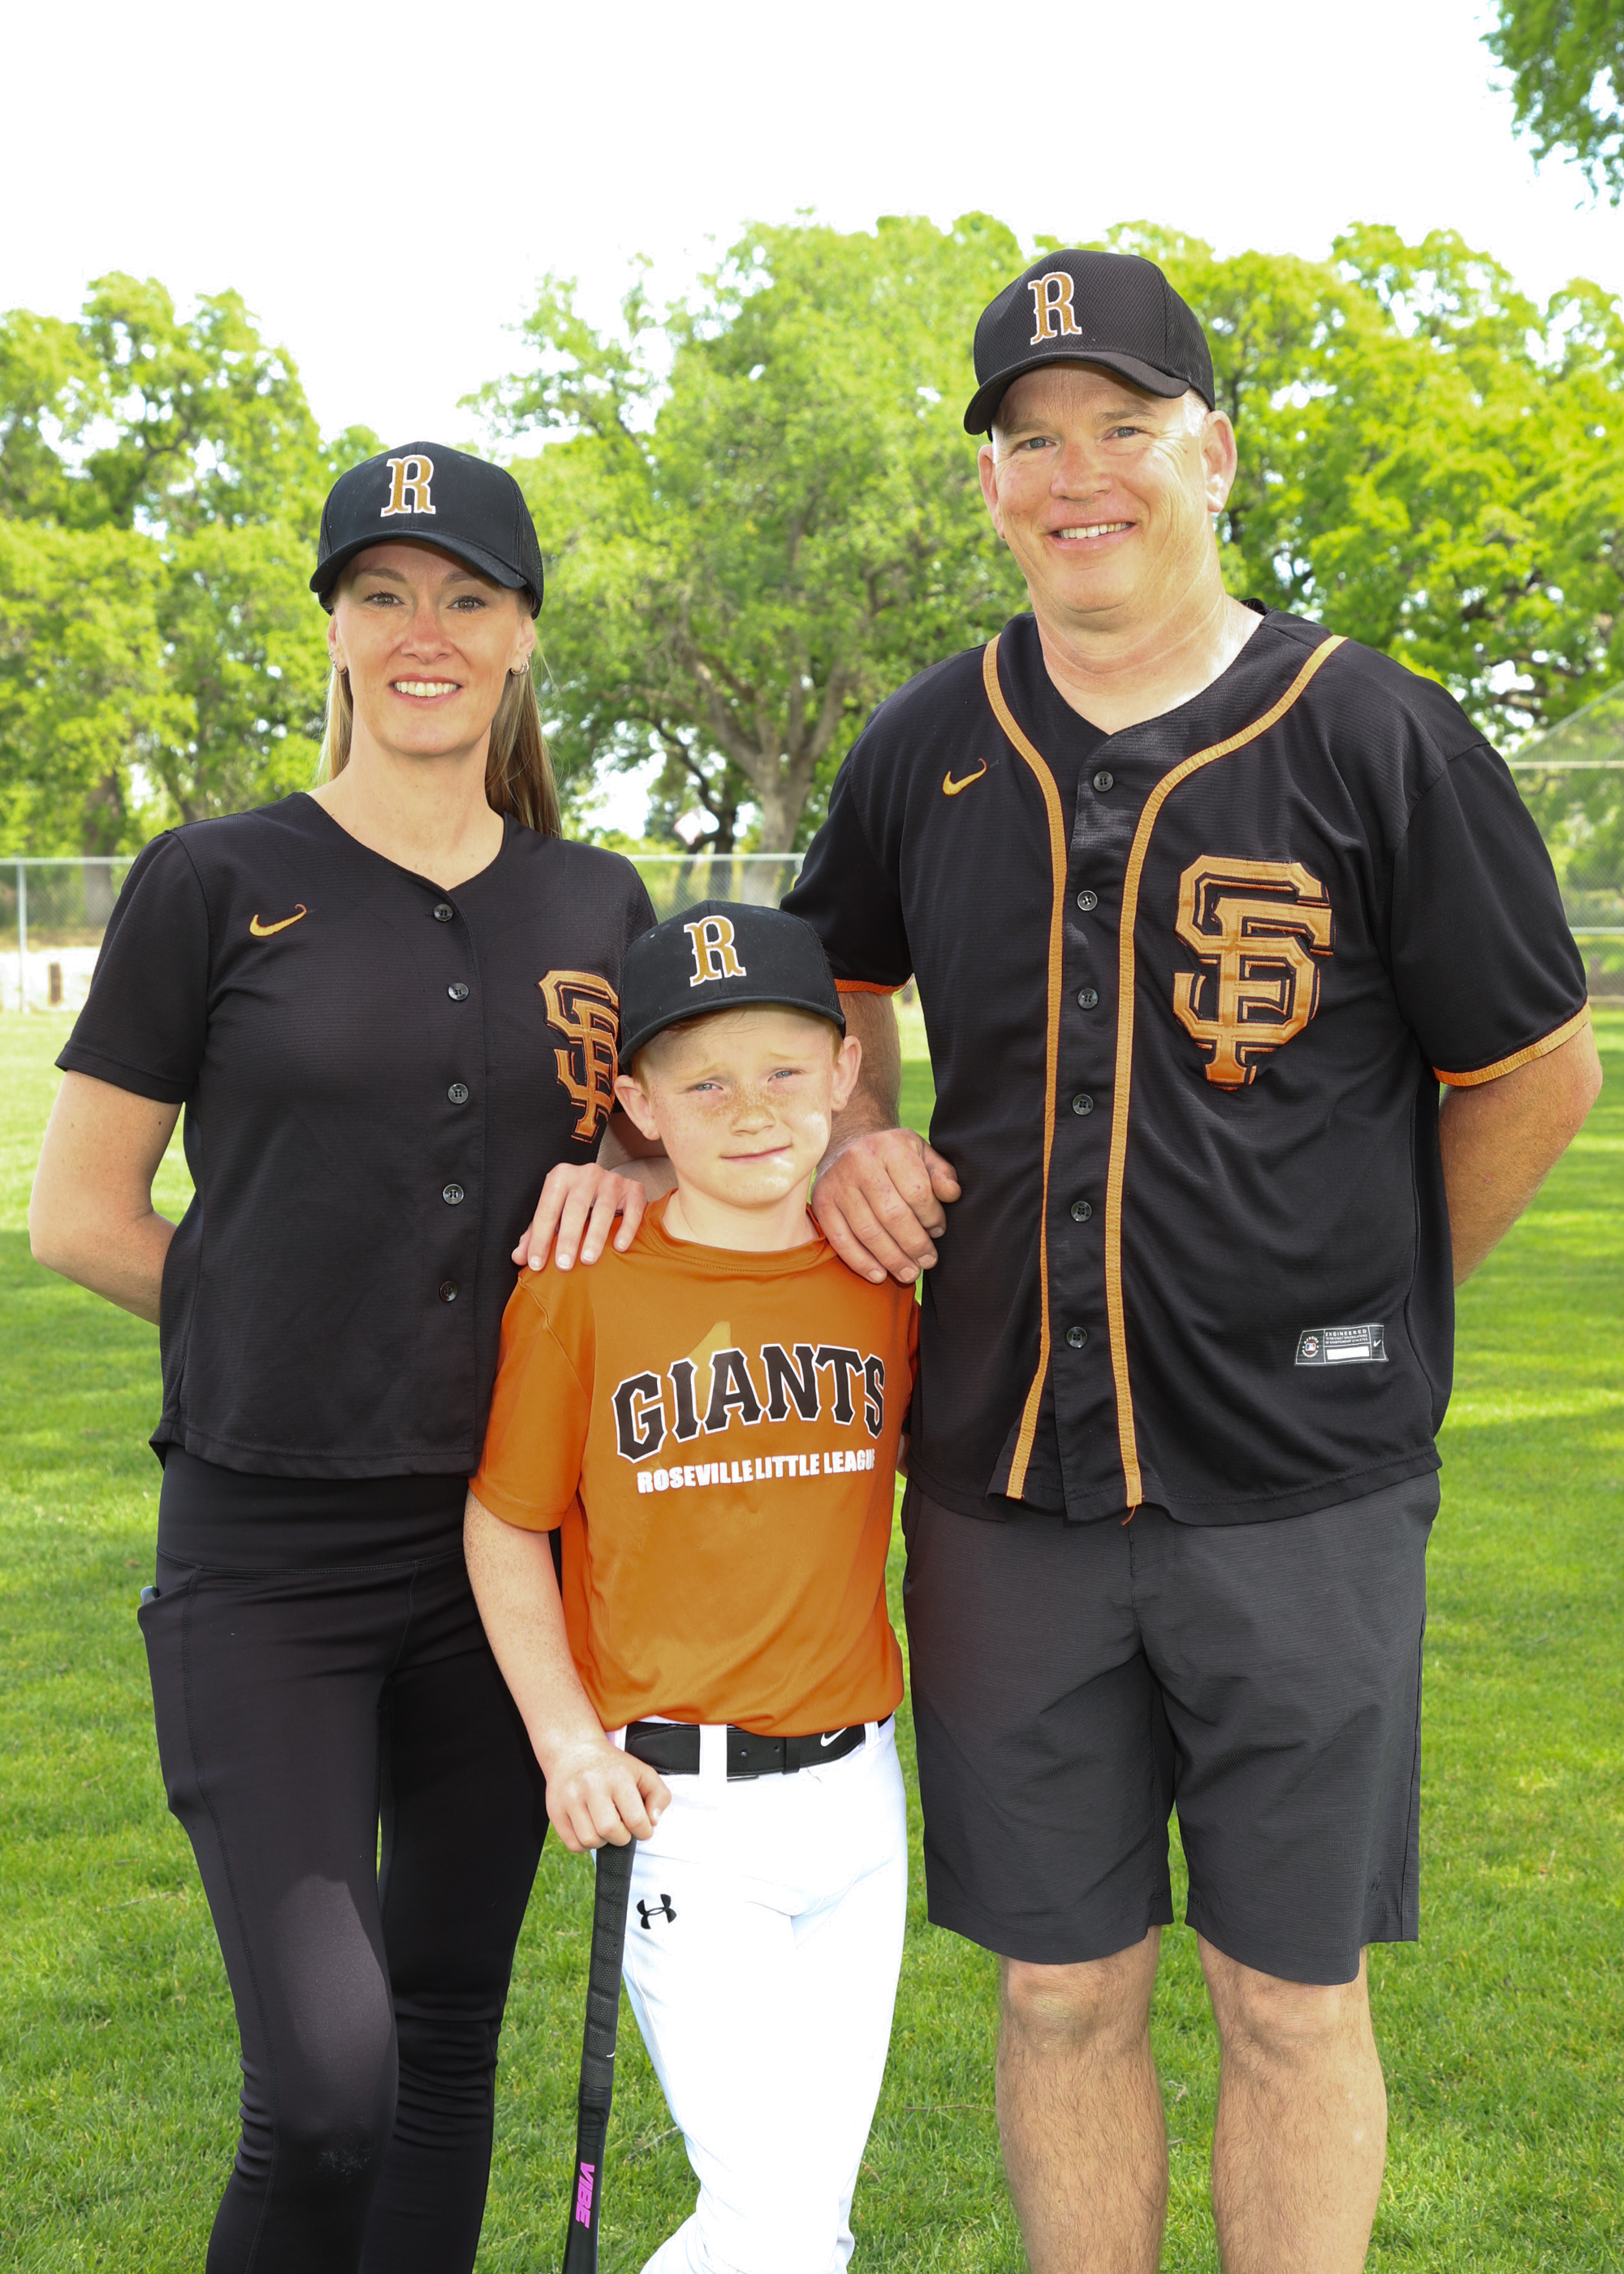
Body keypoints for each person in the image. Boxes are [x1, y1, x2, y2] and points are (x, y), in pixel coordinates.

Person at [783, 249, 1603, 2273]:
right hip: (1002, 1478)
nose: (1078, 475)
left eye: (1123, 428)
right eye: (1030, 440)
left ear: (1211, 453)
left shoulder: (1373, 733)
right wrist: (858, 1124)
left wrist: (1375, 1294)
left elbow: (1531, 1069)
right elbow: (825, 980)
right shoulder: (923, 742)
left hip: (1299, 1492)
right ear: (989, 484)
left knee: (1288, 1996)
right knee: (1061, 1987)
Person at [28, 441, 672, 2274]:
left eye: (466, 597)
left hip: (511, 1554)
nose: (423, 632)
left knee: (446, 2036)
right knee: (324, 2088)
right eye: (381, 595)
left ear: (523, 635)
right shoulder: (216, 878)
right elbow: (77, 1215)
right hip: (270, 1554)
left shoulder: (596, 906)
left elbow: (676, 1150)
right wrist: (287, 1323)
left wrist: (634, 1175)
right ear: (332, 629)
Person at [464, 901, 918, 2274]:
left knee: (803, 2224)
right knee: (773, 2221)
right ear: (641, 1108)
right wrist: (566, 1743)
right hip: (682, 1810)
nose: (753, 1109)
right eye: (705, 1083)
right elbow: (504, 1525)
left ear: (845, 1071)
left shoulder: (885, 1274)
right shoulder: (585, 1287)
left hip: (859, 1802)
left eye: (784, 1070)